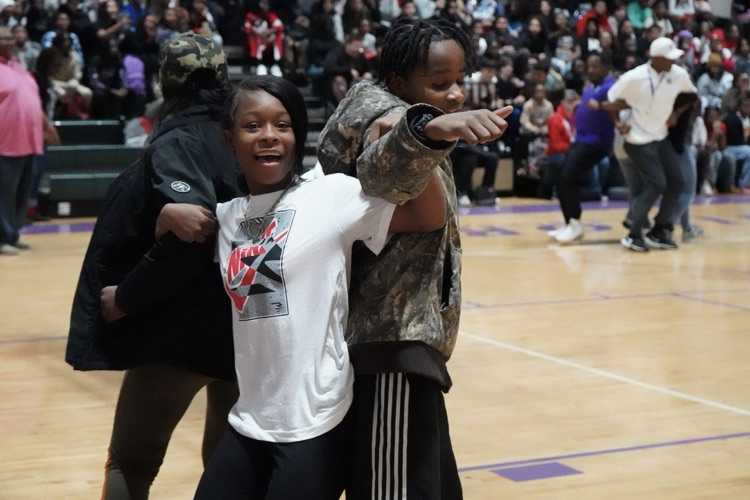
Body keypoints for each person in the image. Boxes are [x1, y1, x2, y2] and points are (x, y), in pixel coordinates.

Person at [157, 74, 448, 498]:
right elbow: (171, 232)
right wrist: (166, 213)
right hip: (250, 418)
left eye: (283, 125)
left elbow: (428, 218)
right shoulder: (226, 216)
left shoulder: (329, 196)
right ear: (229, 138)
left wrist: (412, 144)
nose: (269, 137)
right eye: (253, 126)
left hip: (315, 423)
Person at [316, 17, 512, 499]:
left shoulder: (404, 113)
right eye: (439, 83)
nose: (456, 94)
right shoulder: (373, 108)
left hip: (413, 347)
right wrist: (424, 127)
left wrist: (425, 123)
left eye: (460, 81)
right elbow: (380, 167)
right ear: (400, 81)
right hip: (390, 346)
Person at [65, 32, 243, 499]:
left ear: (166, 83)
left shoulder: (181, 138)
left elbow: (193, 232)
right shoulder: (249, 134)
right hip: (245, 325)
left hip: (180, 329)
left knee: (132, 461)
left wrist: (127, 296)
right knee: (225, 465)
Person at [607, 37, 697, 252]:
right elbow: (611, 102)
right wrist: (619, 123)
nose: (673, 62)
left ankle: (659, 231)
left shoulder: (679, 75)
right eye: (669, 58)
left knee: (677, 181)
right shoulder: (634, 77)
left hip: (661, 137)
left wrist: (676, 113)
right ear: (656, 58)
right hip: (637, 140)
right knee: (657, 184)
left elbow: (693, 96)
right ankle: (633, 235)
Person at [549, 52, 616, 243]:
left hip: (597, 141)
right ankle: (569, 223)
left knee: (569, 175)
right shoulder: (591, 86)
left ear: (606, 67)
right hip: (581, 139)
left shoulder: (611, 87)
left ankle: (575, 224)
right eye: (589, 66)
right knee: (561, 174)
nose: (591, 70)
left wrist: (602, 106)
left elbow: (619, 106)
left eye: (595, 67)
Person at [0, 25, 44, 255]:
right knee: (4, 196)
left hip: (28, 142)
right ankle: (2, 237)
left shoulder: (19, 67)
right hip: (5, 144)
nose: (8, 40)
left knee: (20, 195)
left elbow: (31, 99)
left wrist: (45, 125)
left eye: (9, 36)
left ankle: (14, 233)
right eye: (3, 37)